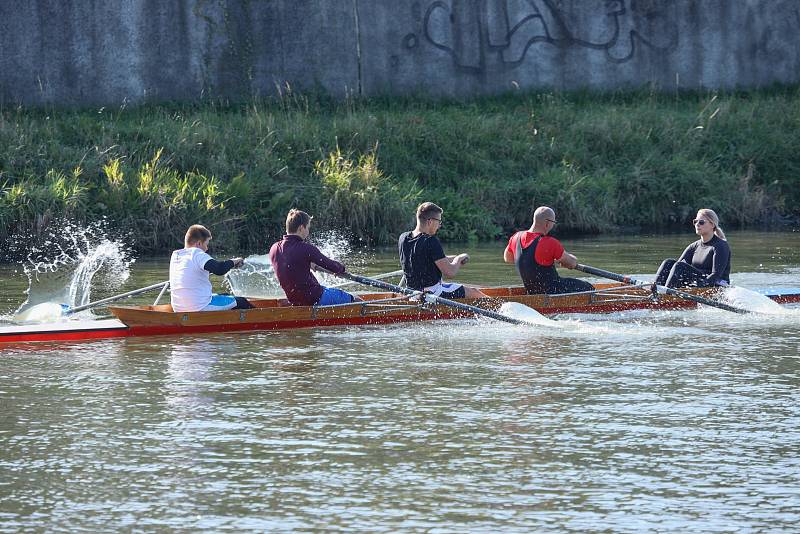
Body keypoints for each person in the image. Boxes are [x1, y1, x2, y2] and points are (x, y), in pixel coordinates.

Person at [269, 209, 358, 306]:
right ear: (301, 228)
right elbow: (334, 267)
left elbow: (290, 265)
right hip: (314, 297)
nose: (308, 231)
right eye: (308, 228)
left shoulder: (274, 249)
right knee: (357, 300)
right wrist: (341, 269)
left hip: (294, 299)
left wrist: (307, 262)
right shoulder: (306, 249)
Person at [398, 202, 487, 299]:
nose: (439, 225)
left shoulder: (403, 238)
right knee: (474, 292)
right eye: (439, 221)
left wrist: (449, 258)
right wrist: (459, 259)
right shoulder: (431, 241)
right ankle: (499, 308)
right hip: (432, 294)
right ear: (430, 221)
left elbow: (423, 259)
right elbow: (450, 273)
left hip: (410, 293)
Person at [503, 206, 594, 294]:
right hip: (553, 291)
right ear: (547, 223)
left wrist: (545, 259)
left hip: (532, 291)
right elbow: (572, 263)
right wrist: (569, 258)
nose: (553, 225)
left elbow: (508, 258)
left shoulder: (516, 237)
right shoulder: (550, 242)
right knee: (589, 288)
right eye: (553, 222)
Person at [169, 224, 252, 312]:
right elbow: (219, 269)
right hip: (199, 306)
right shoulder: (196, 253)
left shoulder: (176, 255)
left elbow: (194, 273)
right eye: (206, 244)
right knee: (242, 301)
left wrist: (230, 266)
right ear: (199, 243)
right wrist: (234, 261)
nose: (207, 248)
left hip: (178, 308)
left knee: (225, 295)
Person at [654, 208, 731, 288]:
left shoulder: (721, 246)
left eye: (701, 222)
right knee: (668, 263)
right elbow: (675, 267)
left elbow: (716, 275)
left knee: (681, 267)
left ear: (712, 225)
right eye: (695, 221)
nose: (697, 224)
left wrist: (698, 288)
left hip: (715, 285)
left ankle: (666, 295)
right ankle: (655, 290)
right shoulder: (693, 246)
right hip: (699, 282)